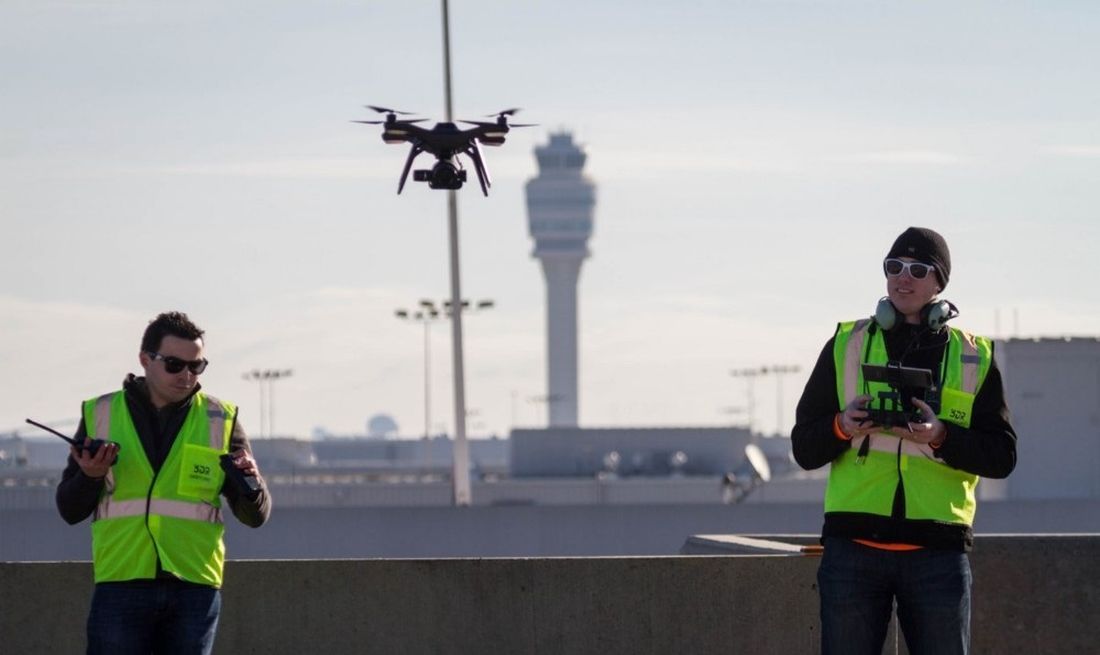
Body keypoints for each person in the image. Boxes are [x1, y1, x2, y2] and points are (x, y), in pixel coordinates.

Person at [791, 227, 1016, 655]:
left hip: (937, 552)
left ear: (939, 283)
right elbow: (804, 447)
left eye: (917, 269)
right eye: (893, 267)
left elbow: (1002, 456)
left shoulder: (974, 357)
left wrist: (942, 437)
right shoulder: (846, 345)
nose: (902, 278)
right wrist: (843, 425)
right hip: (853, 548)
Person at [56, 311, 271, 655]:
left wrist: (250, 482)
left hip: (194, 586)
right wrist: (90, 477)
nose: (187, 375)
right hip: (121, 581)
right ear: (145, 359)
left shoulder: (221, 419)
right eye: (174, 364)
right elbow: (68, 509)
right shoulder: (101, 414)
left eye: (196, 366)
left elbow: (255, 516)